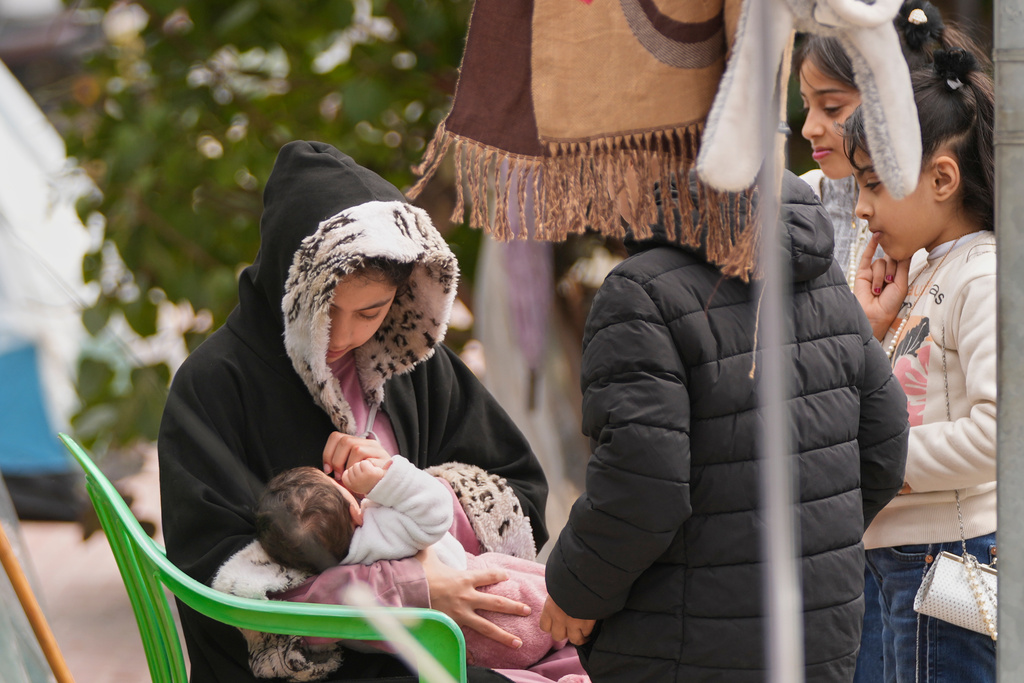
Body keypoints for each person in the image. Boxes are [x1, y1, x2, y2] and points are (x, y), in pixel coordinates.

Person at [158, 140, 587, 683]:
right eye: (324, 309)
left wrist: (399, 488)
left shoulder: (409, 360)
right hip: (332, 663)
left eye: (370, 311)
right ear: (290, 289)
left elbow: (518, 489)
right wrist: (409, 591)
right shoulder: (215, 385)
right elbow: (219, 575)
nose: (345, 335)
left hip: (461, 630)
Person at [539, 168, 911, 681]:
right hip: (819, 629)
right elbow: (885, 444)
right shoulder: (821, 277)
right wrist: (815, 537)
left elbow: (641, 485)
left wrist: (575, 590)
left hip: (684, 640)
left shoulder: (640, 292)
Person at [845, 45, 997, 683]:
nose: (859, 207)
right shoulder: (914, 273)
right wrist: (867, 328)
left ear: (941, 179)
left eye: (874, 183)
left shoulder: (984, 274)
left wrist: (885, 461)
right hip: (895, 556)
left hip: (952, 556)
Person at [255, 458, 576, 672]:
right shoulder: (381, 523)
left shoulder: (335, 579)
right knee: (554, 597)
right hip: (495, 608)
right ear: (353, 510)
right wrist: (386, 478)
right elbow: (437, 510)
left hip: (465, 649)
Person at [794, 0, 973, 288]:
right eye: (806, 108)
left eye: (831, 108)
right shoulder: (801, 200)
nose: (808, 129)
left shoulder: (930, 230)